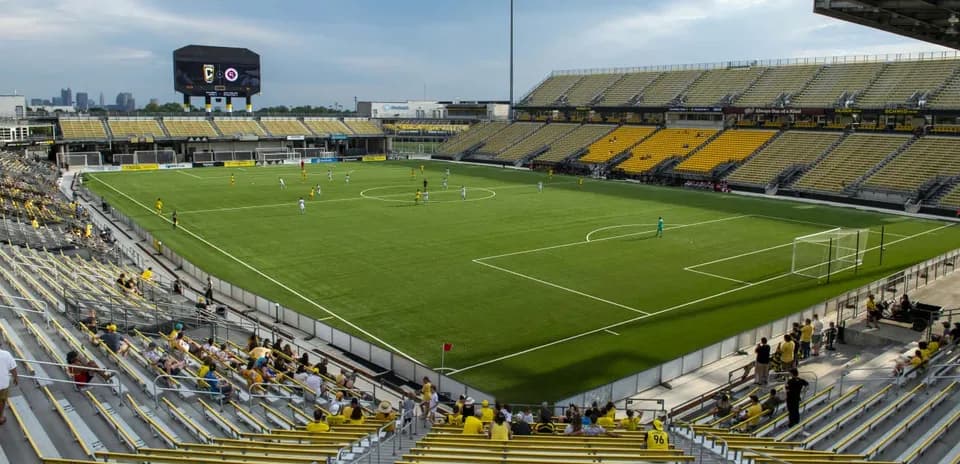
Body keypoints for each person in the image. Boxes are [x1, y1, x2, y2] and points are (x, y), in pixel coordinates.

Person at [0, 339, 17, 426]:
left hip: (3, 383)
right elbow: (13, 368)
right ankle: (0, 417)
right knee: (2, 400)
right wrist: (15, 378)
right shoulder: (6, 354)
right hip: (3, 383)